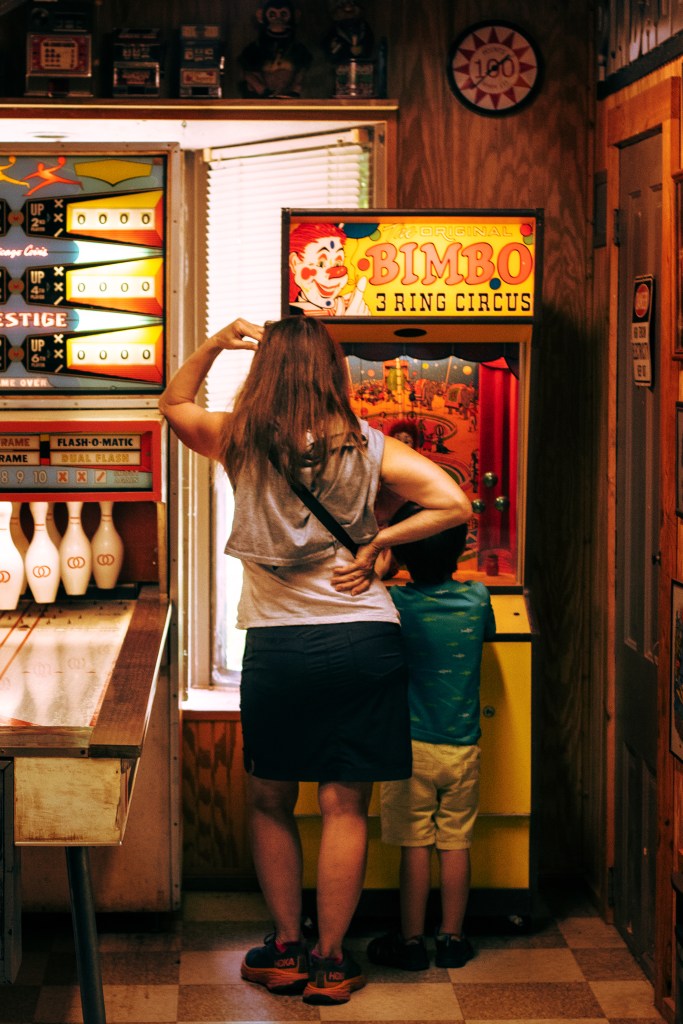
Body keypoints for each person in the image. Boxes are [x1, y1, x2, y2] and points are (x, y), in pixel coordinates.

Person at [158, 315, 471, 1006]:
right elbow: (452, 501)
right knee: (344, 804)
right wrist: (376, 541)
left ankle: (288, 948)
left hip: (279, 645)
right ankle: (332, 960)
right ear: (331, 372)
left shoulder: (236, 442)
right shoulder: (370, 448)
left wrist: (214, 344)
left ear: (264, 371)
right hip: (363, 641)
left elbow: (173, 404)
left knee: (271, 798)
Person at [367, 502, 496, 971]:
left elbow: (369, 598)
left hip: (411, 748)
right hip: (463, 747)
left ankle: (411, 940)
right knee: (456, 841)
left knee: (415, 842)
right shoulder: (479, 598)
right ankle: (453, 938)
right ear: (462, 548)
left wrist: (385, 561)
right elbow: (488, 633)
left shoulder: (396, 602)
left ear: (402, 554)